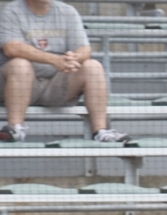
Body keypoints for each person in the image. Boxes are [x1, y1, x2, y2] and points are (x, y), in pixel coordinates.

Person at [0, 0, 130, 143]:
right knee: (20, 65)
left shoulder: (67, 11)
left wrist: (73, 58)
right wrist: (54, 60)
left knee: (93, 66)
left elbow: (84, 49)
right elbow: (11, 48)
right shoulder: (11, 11)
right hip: (19, 86)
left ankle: (101, 131)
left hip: (57, 84)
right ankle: (15, 128)